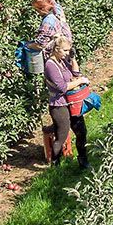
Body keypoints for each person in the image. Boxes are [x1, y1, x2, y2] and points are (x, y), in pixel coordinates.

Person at [44, 35, 90, 170]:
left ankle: (83, 160)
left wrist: (73, 58)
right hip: (59, 105)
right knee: (62, 135)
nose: (66, 53)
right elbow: (62, 87)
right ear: (56, 49)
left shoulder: (62, 61)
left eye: (68, 50)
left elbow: (75, 72)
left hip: (72, 102)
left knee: (81, 131)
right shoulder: (50, 65)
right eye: (65, 50)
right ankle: (55, 165)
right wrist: (81, 81)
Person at [21, 0, 79, 72]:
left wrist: (27, 45)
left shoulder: (48, 23)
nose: (37, 13)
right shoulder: (56, 9)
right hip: (66, 48)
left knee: (58, 75)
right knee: (69, 68)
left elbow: (40, 45)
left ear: (42, 10)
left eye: (37, 10)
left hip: (57, 55)